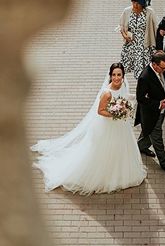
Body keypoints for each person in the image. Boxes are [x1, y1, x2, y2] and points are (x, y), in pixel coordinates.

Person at [32, 63, 147, 194]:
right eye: (114, 75)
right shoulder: (107, 93)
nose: (116, 78)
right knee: (106, 149)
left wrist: (127, 105)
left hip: (120, 125)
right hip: (108, 126)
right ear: (110, 76)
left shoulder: (124, 85)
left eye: (119, 75)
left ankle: (121, 173)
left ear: (123, 76)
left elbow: (124, 97)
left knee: (121, 147)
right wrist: (116, 113)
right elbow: (100, 111)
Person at [135, 50, 165, 174]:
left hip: (162, 111)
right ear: (154, 64)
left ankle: (140, 147)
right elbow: (140, 98)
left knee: (148, 131)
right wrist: (158, 104)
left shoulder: (163, 70)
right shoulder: (145, 77)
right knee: (157, 138)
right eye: (162, 68)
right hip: (152, 113)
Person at [119, 0, 158, 80]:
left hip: (144, 47)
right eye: (133, 2)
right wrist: (125, 36)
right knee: (123, 69)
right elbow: (122, 27)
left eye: (138, 3)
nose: (135, 5)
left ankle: (142, 90)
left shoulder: (149, 12)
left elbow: (155, 28)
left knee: (142, 72)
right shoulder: (127, 11)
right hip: (131, 46)